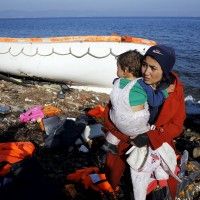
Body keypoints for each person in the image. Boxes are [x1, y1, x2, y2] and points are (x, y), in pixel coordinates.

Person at [103, 44, 186, 200]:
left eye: (153, 68)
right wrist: (125, 136)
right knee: (127, 185)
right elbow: (109, 114)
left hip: (156, 147)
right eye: (144, 65)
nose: (146, 72)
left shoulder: (175, 90)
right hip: (126, 145)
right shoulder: (129, 83)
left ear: (165, 71)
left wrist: (151, 136)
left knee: (155, 192)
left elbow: (177, 125)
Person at [101, 50, 175, 156]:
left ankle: (110, 143)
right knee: (148, 128)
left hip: (114, 119)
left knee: (120, 123)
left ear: (125, 70)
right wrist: (165, 92)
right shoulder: (142, 84)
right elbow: (154, 102)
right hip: (133, 125)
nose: (116, 71)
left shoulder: (117, 81)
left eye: (118, 68)